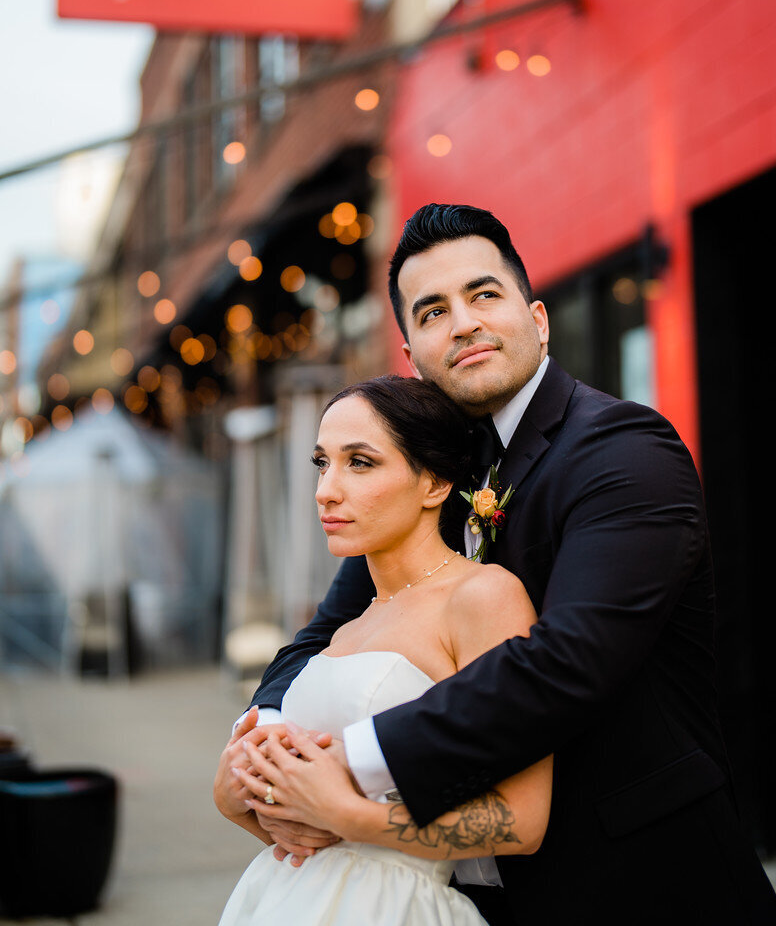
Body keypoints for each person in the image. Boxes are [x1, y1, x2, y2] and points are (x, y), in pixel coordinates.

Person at [216, 203, 776, 926]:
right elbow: (323, 635)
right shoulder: (431, 478)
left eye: (483, 294)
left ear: (538, 319)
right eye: (431, 312)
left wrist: (351, 771)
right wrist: (264, 740)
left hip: (643, 876)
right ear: (412, 354)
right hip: (476, 894)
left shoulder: (623, 451)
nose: (461, 323)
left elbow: (564, 663)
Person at [218, 375, 552, 926]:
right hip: (282, 896)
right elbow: (288, 811)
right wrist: (234, 797)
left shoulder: (483, 598)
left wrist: (350, 815)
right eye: (322, 463)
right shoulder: (346, 628)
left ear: (436, 482)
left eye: (361, 463)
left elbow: (521, 820)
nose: (327, 489)